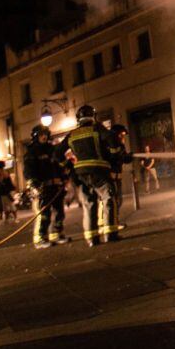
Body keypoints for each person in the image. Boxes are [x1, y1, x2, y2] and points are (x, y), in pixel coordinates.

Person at [56, 104, 118, 246]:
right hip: (99, 171)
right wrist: (115, 156)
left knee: (89, 204)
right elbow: (113, 141)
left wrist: (67, 165)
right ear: (93, 117)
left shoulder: (72, 134)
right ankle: (110, 234)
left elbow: (57, 153)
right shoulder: (97, 129)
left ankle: (92, 239)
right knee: (108, 198)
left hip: (80, 175)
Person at [23, 124, 69, 249]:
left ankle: (57, 234)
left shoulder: (52, 149)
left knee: (60, 212)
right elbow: (28, 171)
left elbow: (60, 164)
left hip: (56, 187)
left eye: (45, 134)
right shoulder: (32, 152)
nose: (44, 137)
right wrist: (33, 185)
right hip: (42, 188)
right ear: (36, 136)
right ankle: (40, 238)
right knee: (44, 214)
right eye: (41, 135)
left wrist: (64, 178)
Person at [101, 123, 133, 240]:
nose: (123, 137)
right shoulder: (109, 144)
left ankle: (115, 221)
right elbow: (112, 158)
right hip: (110, 177)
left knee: (118, 201)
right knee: (110, 201)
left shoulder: (120, 145)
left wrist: (129, 157)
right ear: (116, 134)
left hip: (117, 177)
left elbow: (123, 159)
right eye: (122, 134)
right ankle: (105, 224)